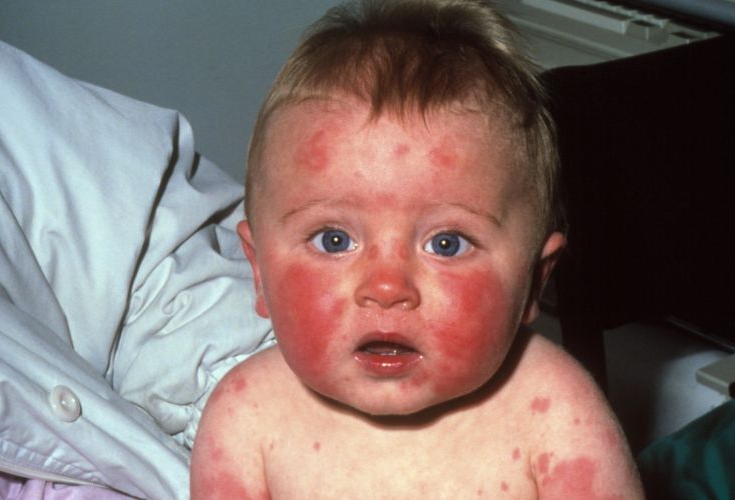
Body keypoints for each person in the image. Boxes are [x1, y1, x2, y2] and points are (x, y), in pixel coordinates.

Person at [191, 0, 643, 497]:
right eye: (334, 240)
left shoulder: (556, 411)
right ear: (259, 271)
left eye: (446, 244)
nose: (387, 287)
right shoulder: (246, 417)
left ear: (534, 282)